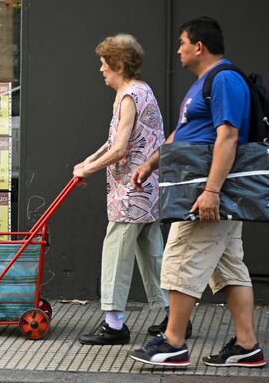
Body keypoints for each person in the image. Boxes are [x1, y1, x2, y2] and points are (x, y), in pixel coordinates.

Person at [129, 17, 266, 368]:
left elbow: (228, 136)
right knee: (229, 269)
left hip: (206, 195)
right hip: (203, 190)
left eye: (182, 43)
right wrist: (152, 163)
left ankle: (173, 342)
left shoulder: (225, 80)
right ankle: (247, 346)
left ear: (199, 46)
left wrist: (211, 191)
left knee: (181, 259)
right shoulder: (204, 84)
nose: (178, 49)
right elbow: (184, 132)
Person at [73, 34, 173, 345]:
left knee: (116, 251)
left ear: (118, 64)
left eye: (104, 63)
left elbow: (119, 150)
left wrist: (88, 169)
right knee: (151, 252)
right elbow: (113, 142)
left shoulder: (130, 96)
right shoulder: (138, 91)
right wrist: (88, 160)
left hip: (131, 192)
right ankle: (175, 316)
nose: (101, 69)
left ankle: (114, 325)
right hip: (146, 189)